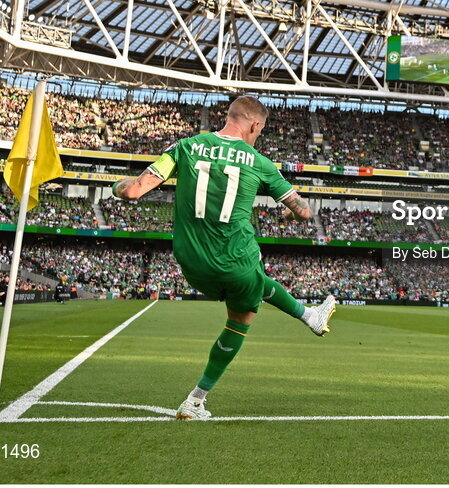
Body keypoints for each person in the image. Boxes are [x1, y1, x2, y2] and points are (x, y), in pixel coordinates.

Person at [111, 95, 336, 420]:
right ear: (255, 124)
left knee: (254, 281)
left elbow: (133, 191)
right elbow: (302, 211)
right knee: (243, 309)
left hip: (191, 260)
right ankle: (195, 400)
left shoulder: (184, 146)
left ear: (229, 116)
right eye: (260, 130)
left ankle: (308, 315)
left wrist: (116, 185)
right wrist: (290, 200)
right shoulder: (259, 161)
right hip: (236, 258)